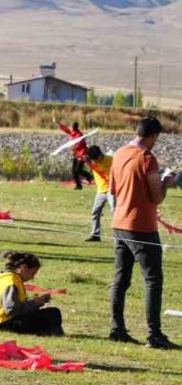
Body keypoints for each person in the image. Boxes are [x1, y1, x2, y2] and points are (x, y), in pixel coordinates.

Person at [108, 116, 179, 349]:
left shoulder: (119, 154)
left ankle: (116, 329)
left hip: (119, 223)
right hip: (141, 226)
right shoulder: (148, 158)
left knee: (121, 279)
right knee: (153, 279)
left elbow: (114, 189)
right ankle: (154, 335)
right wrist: (166, 183)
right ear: (152, 136)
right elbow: (156, 196)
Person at [0, 251, 64, 336]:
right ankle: (49, 333)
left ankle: (48, 332)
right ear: (23, 267)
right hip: (6, 323)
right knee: (53, 314)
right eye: (33, 273)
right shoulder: (10, 282)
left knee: (52, 313)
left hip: (8, 320)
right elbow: (12, 310)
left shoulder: (13, 278)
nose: (33, 277)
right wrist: (34, 303)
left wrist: (38, 302)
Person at [54, 119, 95, 190]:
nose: (71, 128)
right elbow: (65, 129)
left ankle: (89, 176)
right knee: (74, 171)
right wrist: (57, 122)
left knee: (78, 170)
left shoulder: (79, 135)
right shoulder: (73, 132)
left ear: (75, 128)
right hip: (76, 154)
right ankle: (79, 186)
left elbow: (80, 145)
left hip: (82, 153)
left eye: (72, 127)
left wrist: (73, 147)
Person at [85, 145, 114, 242]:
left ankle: (120, 236)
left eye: (99, 157)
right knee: (95, 212)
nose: (98, 160)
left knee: (115, 211)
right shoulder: (91, 161)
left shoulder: (111, 159)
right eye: (96, 159)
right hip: (101, 191)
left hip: (112, 190)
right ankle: (95, 235)